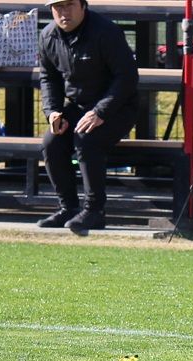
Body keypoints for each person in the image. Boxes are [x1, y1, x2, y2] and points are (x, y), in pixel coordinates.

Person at [37, 0, 139, 234]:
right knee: (51, 143)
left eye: (69, 5)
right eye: (57, 7)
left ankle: (94, 211)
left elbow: (126, 77)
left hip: (119, 108)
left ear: (83, 5)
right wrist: (52, 112)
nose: (64, 12)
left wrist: (101, 112)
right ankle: (68, 208)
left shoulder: (107, 32)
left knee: (86, 139)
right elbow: (48, 78)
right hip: (77, 106)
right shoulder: (47, 36)